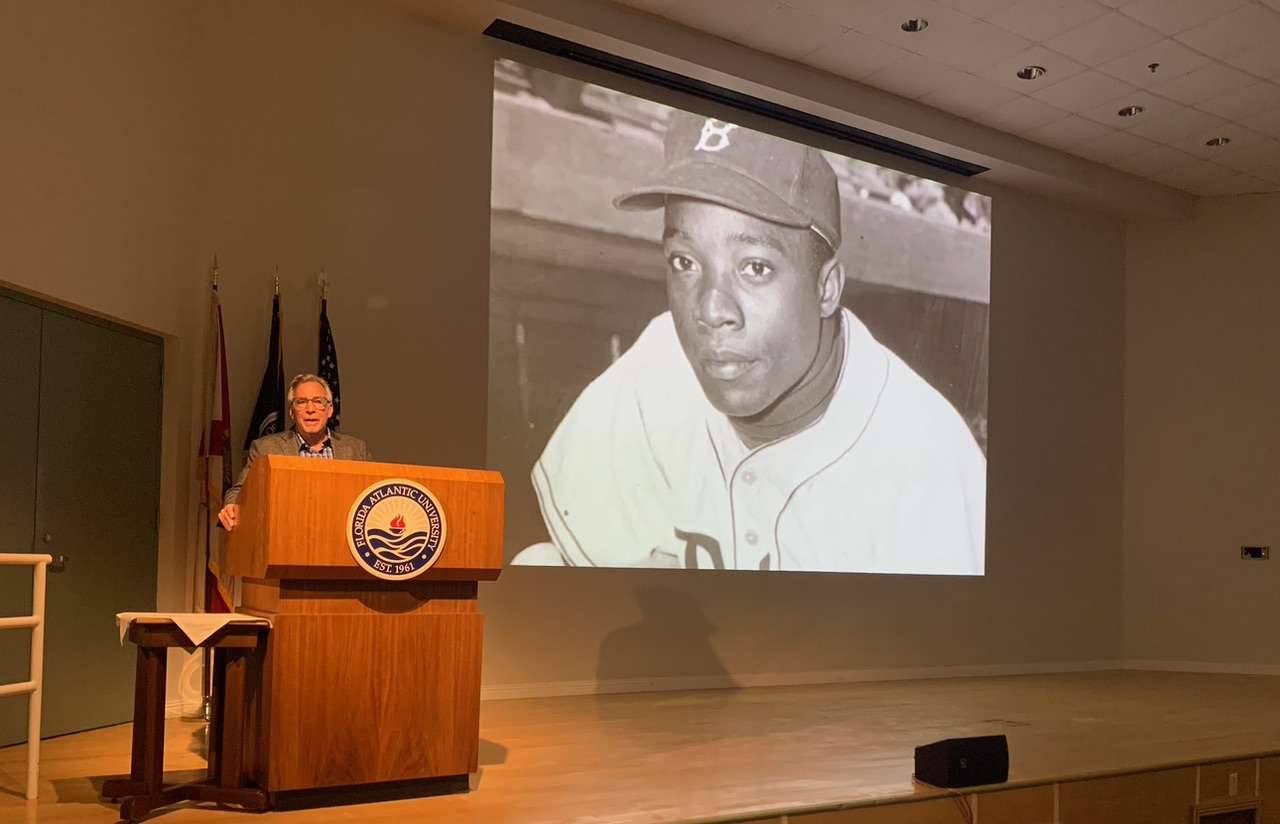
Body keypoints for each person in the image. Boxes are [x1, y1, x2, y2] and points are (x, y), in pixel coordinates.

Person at [516, 111, 985, 573]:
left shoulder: (928, 459)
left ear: (826, 288)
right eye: (684, 262)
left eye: (755, 267)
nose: (711, 309)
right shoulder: (662, 359)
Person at [217, 373, 372, 531]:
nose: (310, 409)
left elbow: (372, 494)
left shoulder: (355, 449)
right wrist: (231, 505)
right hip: (287, 534)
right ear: (292, 412)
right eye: (301, 402)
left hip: (340, 534)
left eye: (318, 401)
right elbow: (239, 490)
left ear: (330, 410)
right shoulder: (266, 448)